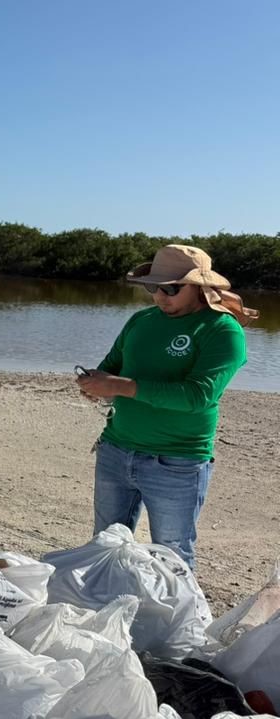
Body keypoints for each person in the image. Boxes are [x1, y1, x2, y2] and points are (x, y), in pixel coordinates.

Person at [76, 244, 257, 570]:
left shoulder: (222, 330)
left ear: (201, 287)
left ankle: (180, 621)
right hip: (116, 451)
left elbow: (198, 396)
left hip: (176, 463)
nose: (160, 295)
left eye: (171, 288)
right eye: (153, 287)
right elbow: (111, 368)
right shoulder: (141, 321)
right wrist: (95, 385)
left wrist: (120, 387)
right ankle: (105, 615)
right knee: (104, 547)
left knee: (172, 558)